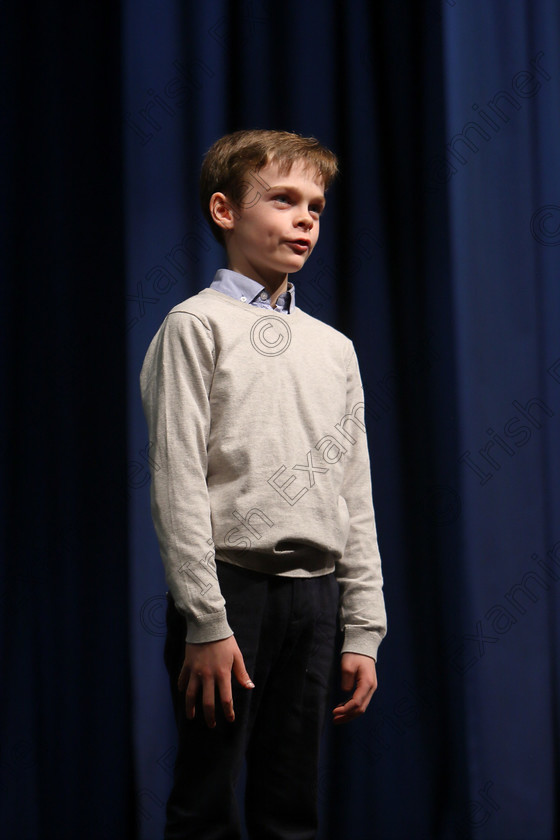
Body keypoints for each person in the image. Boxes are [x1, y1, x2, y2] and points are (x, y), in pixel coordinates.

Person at [140, 128, 387, 840]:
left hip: (314, 601)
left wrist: (362, 629)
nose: (305, 216)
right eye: (283, 199)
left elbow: (354, 490)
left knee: (291, 807)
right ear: (225, 211)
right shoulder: (195, 326)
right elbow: (178, 482)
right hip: (229, 594)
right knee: (206, 801)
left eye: (315, 204)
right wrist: (206, 621)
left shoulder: (333, 347)